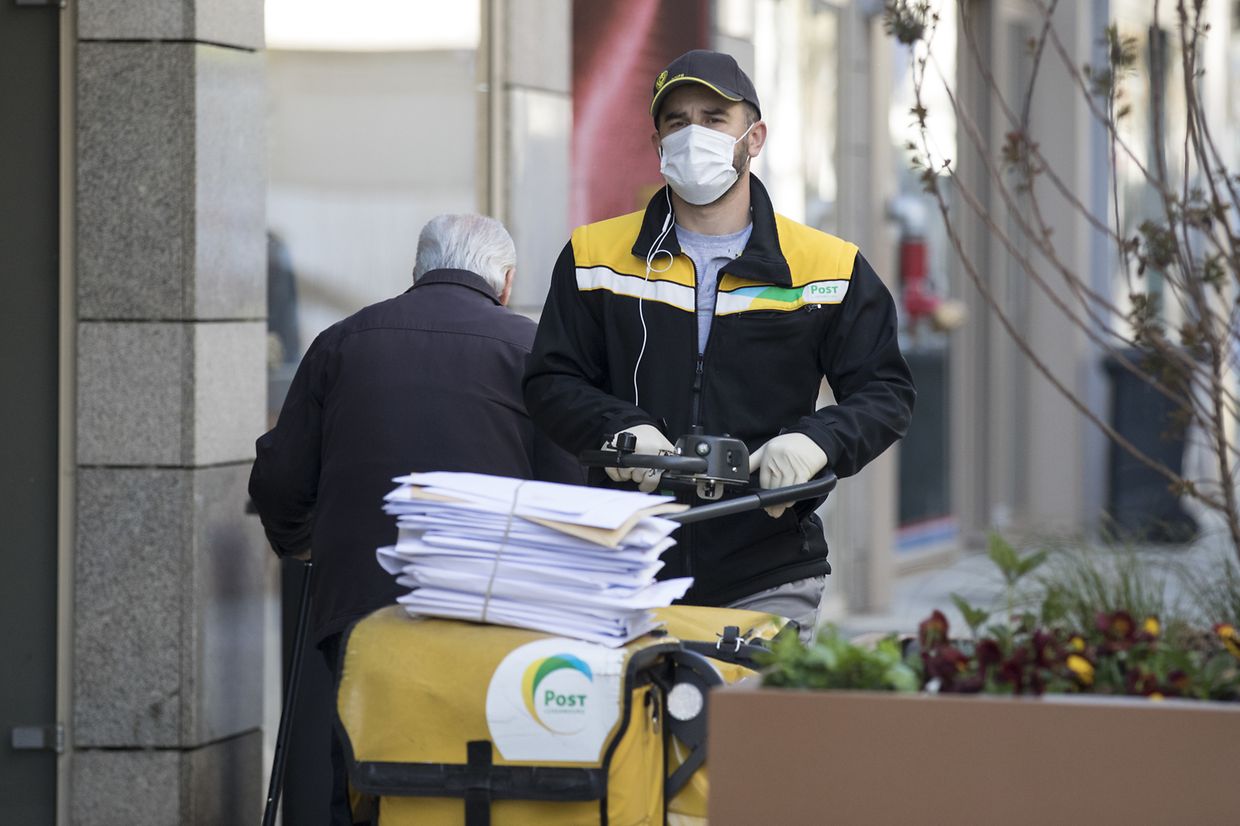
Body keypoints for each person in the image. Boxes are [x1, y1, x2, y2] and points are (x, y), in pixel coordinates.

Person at [524, 50, 916, 634]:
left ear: (753, 137)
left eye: (713, 119)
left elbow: (886, 391)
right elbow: (552, 380)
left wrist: (817, 442)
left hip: (768, 563)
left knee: (747, 727)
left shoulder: (826, 266)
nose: (693, 136)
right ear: (657, 142)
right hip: (625, 562)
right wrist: (616, 428)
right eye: (677, 122)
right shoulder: (594, 256)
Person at [249, 213, 581, 825]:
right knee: (477, 778)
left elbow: (278, 475)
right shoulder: (533, 351)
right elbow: (571, 495)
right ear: (506, 282)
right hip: (492, 613)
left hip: (360, 607)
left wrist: (302, 544)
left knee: (364, 772)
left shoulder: (341, 342)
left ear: (417, 271)